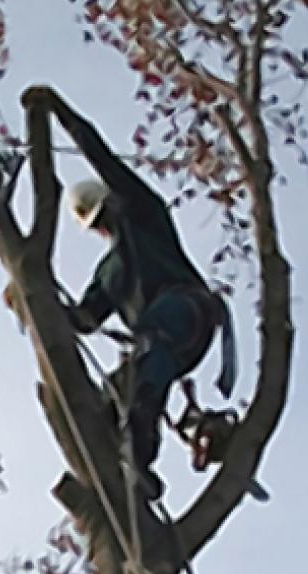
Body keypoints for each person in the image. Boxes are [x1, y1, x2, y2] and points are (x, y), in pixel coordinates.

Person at [21, 85, 235, 500]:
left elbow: (100, 155)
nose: (107, 225)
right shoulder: (107, 273)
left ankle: (139, 452)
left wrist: (60, 110)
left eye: (106, 214)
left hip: (186, 312)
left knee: (150, 349)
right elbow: (83, 321)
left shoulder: (145, 214)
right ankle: (138, 461)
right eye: (100, 222)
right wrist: (34, 297)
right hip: (161, 349)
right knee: (116, 396)